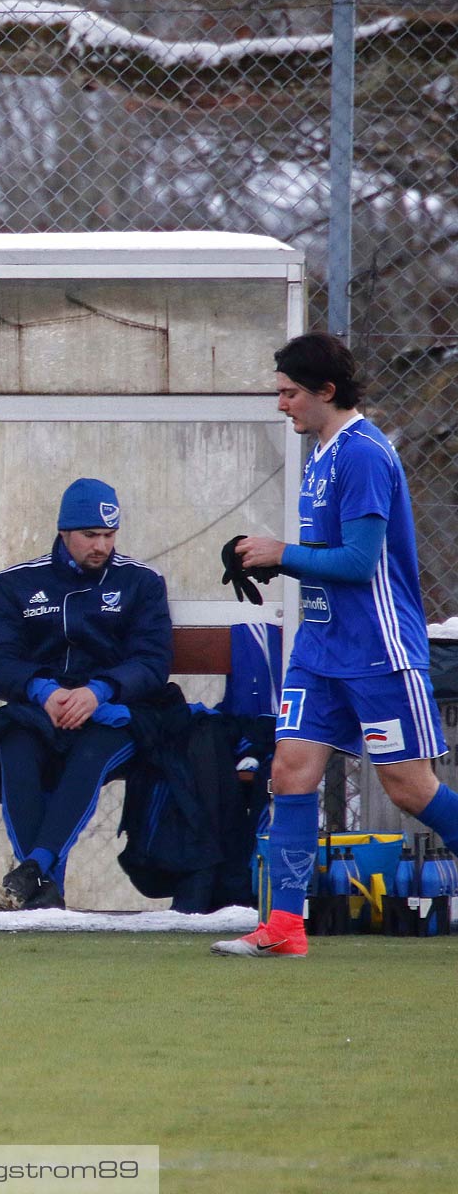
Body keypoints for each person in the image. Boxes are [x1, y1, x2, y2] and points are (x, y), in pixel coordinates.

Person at [214, 333, 458, 959]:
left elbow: (358, 561)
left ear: (326, 392)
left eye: (290, 393)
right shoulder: (321, 452)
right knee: (289, 773)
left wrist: (283, 554)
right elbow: (326, 558)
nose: (281, 405)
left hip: (377, 649)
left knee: (408, 787)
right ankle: (285, 928)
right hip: (320, 650)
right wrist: (268, 559)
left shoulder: (364, 454)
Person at [0, 478, 173, 910]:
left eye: (109, 535)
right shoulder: (17, 583)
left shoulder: (142, 582)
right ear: (64, 532)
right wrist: (42, 691)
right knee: (13, 751)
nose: (101, 545)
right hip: (37, 712)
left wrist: (98, 692)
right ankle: (45, 892)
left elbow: (152, 662)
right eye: (90, 535)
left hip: (112, 714)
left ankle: (36, 868)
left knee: (89, 756)